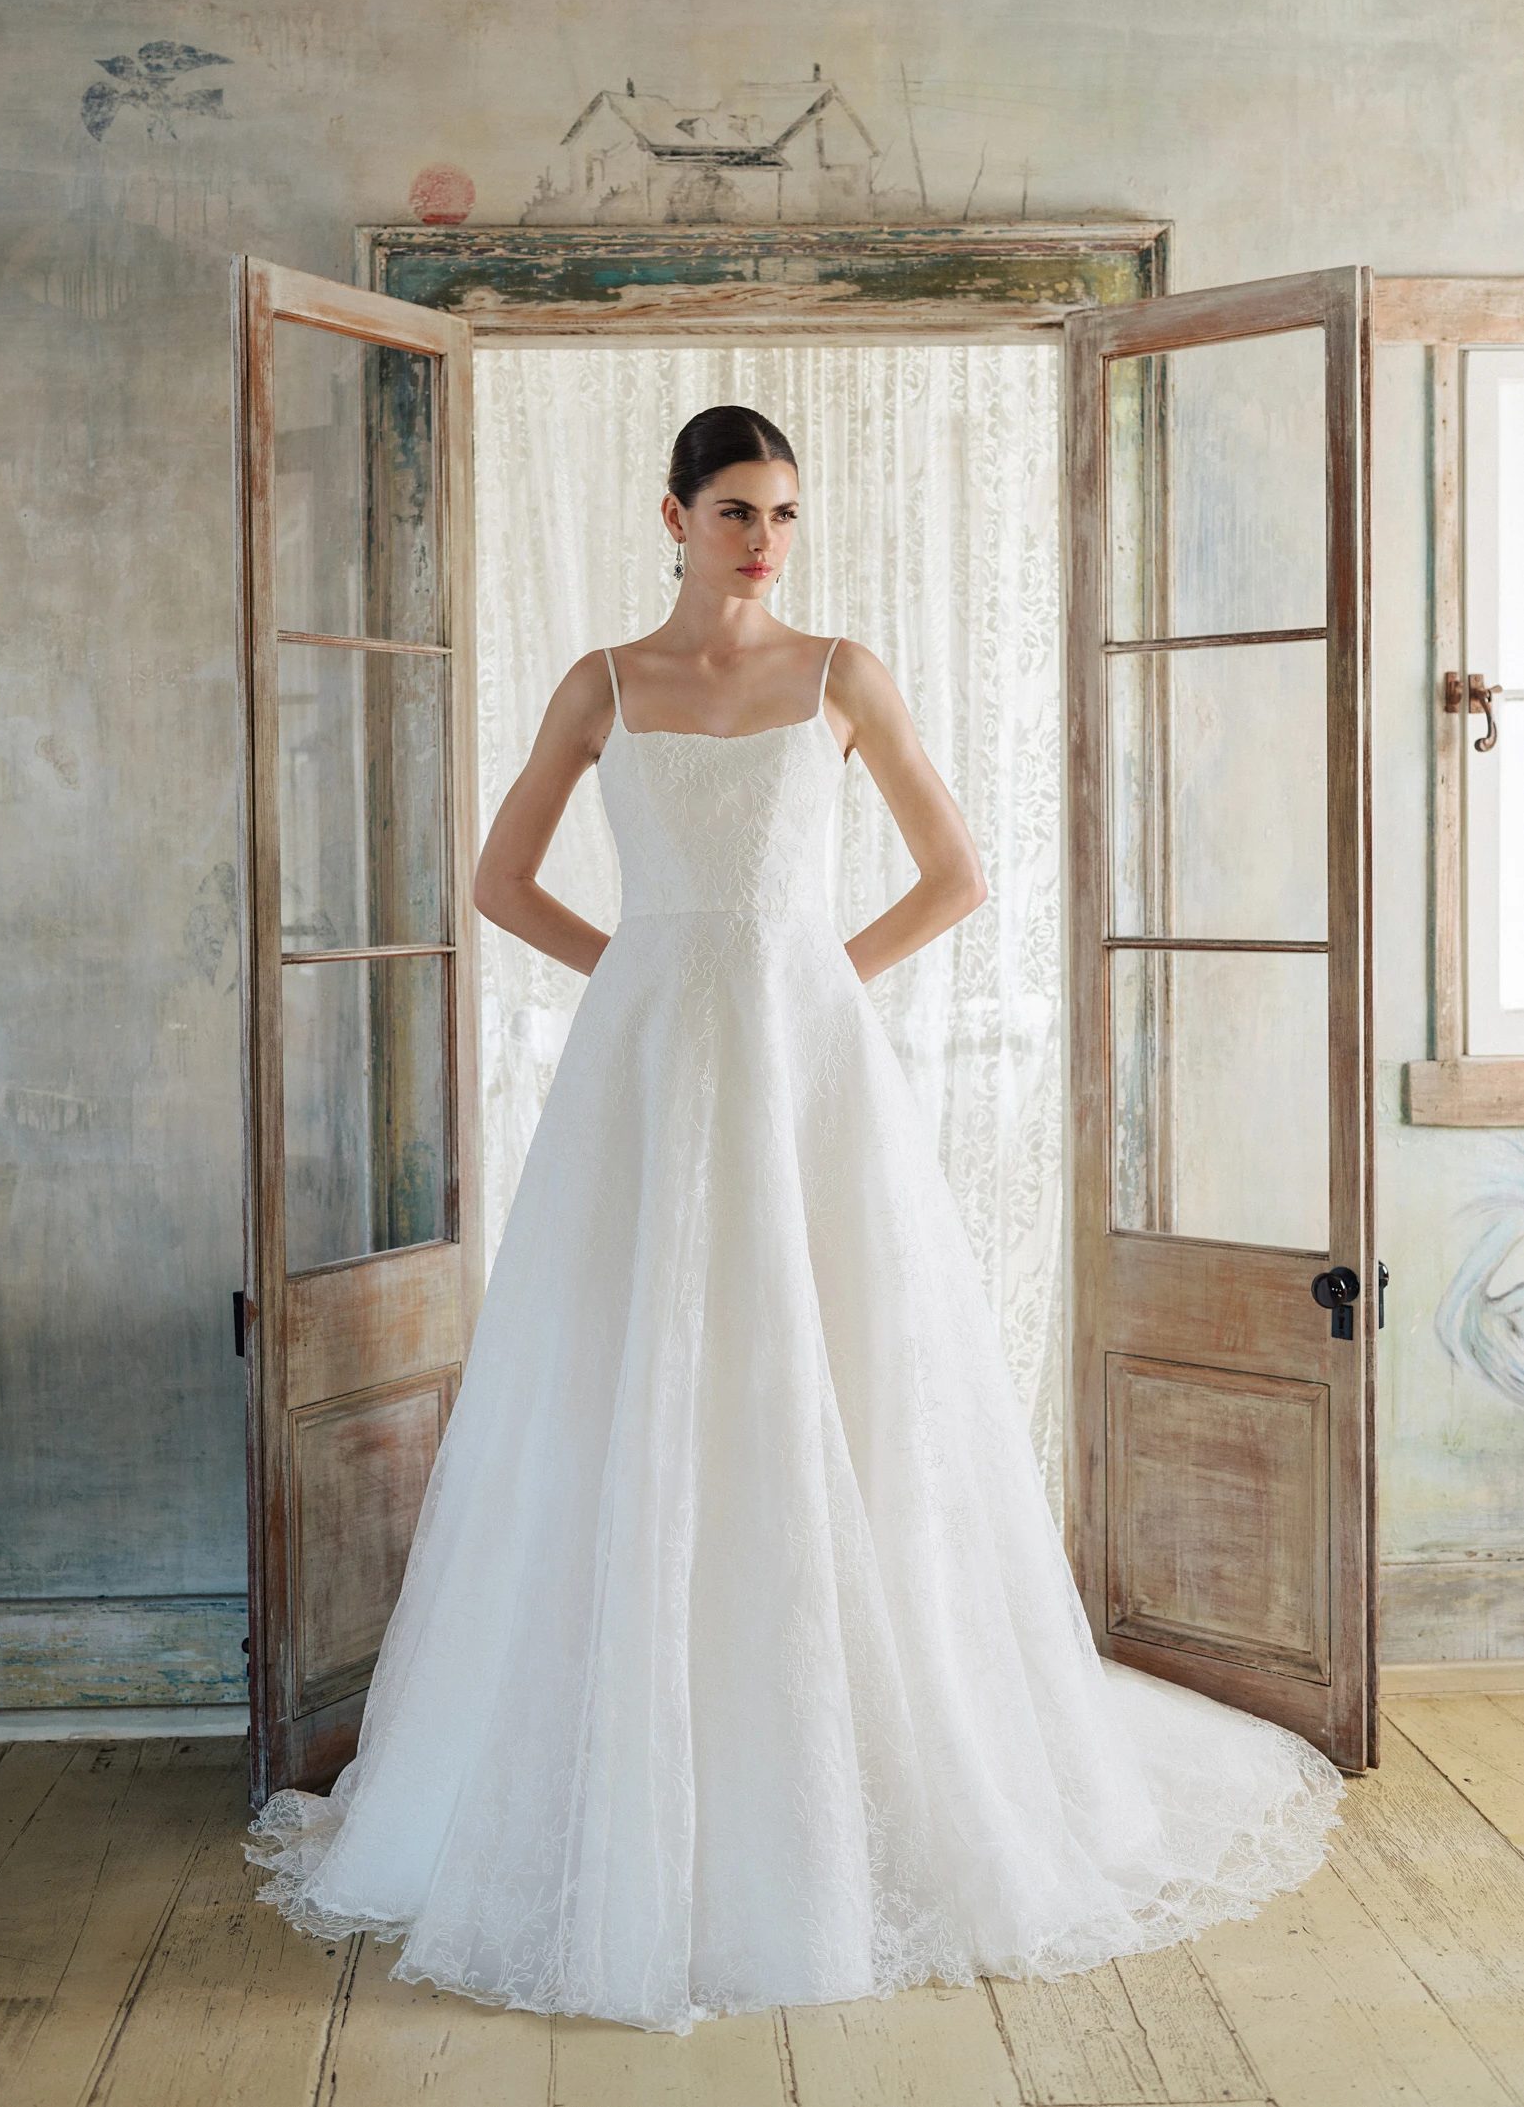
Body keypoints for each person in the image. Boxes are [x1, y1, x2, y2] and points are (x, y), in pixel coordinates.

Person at [247, 403, 1342, 2037]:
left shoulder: (840, 674)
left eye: (786, 513)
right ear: (672, 515)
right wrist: (634, 965)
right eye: (739, 509)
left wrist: (816, 974)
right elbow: (498, 881)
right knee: (631, 1375)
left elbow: (957, 872)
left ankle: (855, 1753)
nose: (767, 538)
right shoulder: (603, 685)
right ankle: (622, 1761)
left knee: (829, 1361)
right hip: (644, 1071)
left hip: (803, 1069)